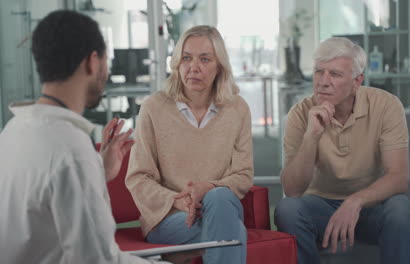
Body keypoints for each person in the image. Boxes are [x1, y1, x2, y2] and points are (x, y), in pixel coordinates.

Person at [0, 10, 168, 264]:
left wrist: (99, 170)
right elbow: (98, 259)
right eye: (105, 59)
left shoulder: (14, 131)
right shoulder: (71, 150)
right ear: (92, 62)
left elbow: (42, 207)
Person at [274, 37, 410, 264]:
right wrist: (311, 136)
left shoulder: (387, 105)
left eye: (335, 74)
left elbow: (399, 177)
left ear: (357, 81)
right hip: (320, 207)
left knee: (400, 208)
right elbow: (292, 189)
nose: (323, 81)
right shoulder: (299, 114)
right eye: (319, 72)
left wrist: (355, 201)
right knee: (287, 209)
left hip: (369, 207)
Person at [126, 25, 253, 264]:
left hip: (220, 208)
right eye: (186, 58)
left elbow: (243, 175)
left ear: (219, 66)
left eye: (205, 59)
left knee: (218, 198)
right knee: (234, 231)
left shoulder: (238, 109)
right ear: (177, 63)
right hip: (169, 217)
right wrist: (178, 200)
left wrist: (208, 188)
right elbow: (138, 178)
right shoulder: (154, 108)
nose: (193, 67)